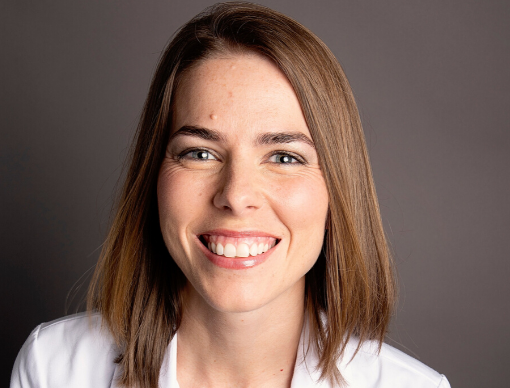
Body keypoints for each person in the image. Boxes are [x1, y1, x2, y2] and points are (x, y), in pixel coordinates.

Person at [11, 2, 451, 388]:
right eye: (200, 152)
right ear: (154, 175)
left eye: (284, 157)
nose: (236, 196)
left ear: (338, 189)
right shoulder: (54, 368)